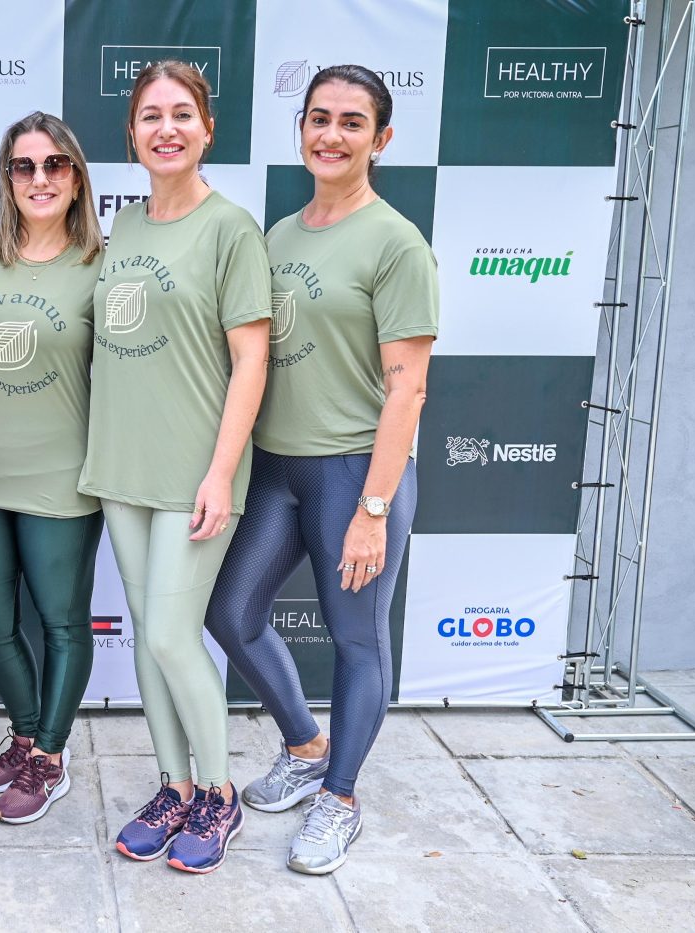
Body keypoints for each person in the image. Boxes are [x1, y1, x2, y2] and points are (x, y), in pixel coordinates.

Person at [204, 64, 438, 876]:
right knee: (231, 613)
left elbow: (408, 386)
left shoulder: (397, 243)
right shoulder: (279, 234)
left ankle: (339, 799)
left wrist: (374, 506)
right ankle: (307, 744)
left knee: (355, 639)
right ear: (299, 128)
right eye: (317, 118)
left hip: (353, 474)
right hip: (278, 466)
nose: (329, 135)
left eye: (349, 122)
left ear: (381, 138)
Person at [80, 61, 272, 874]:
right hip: (122, 463)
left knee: (169, 631)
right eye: (151, 115)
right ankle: (172, 784)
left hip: (198, 467)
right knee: (148, 640)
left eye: (182, 114)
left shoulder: (231, 227)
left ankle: (218, 796)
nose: (166, 128)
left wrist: (221, 472)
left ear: (207, 130)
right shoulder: (123, 226)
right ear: (132, 133)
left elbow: (252, 358)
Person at [0, 112, 105, 824]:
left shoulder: (104, 266)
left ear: (76, 177)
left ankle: (51, 754)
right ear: (5, 178)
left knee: (62, 622)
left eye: (55, 165)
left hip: (64, 473)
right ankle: (21, 735)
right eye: (24, 166)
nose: (39, 179)